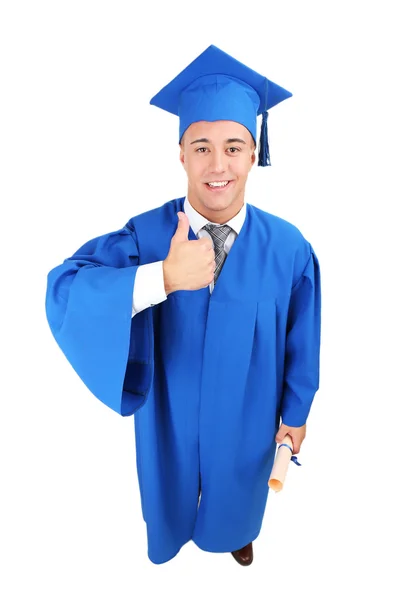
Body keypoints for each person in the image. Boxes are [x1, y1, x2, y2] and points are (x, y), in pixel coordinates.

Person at [45, 44, 321, 566]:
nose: (218, 166)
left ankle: (236, 532)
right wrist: (162, 276)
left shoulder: (289, 248)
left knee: (240, 482)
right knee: (167, 487)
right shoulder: (148, 234)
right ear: (180, 152)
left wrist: (297, 412)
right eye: (201, 147)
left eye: (234, 147)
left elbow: (302, 339)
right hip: (167, 410)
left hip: (249, 409)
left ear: (255, 149)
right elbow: (65, 286)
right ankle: (171, 534)